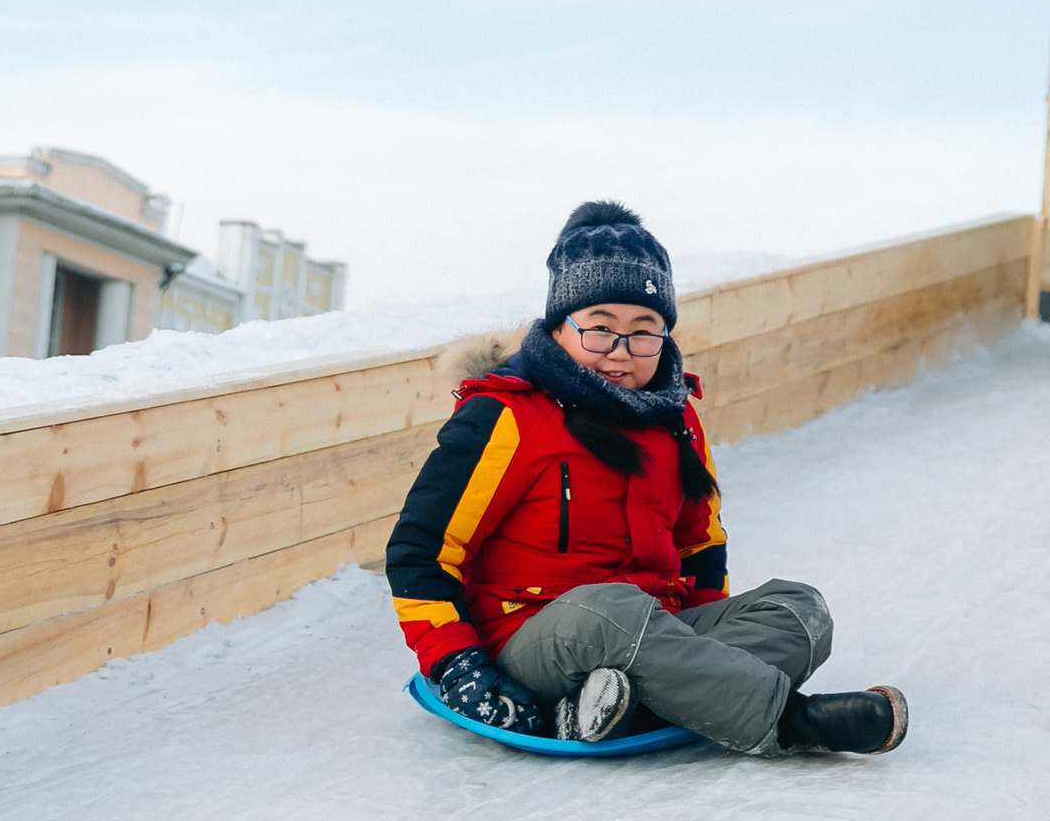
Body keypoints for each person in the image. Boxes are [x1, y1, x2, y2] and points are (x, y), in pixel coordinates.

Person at [384, 201, 909, 756]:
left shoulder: (675, 419)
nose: (620, 352)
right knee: (609, 611)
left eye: (643, 332)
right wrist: (457, 666)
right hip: (530, 637)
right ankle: (796, 722)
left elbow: (700, 543)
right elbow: (422, 551)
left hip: (650, 628)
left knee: (799, 611)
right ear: (560, 327)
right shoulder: (507, 417)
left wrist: (697, 651)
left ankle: (613, 706)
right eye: (599, 330)